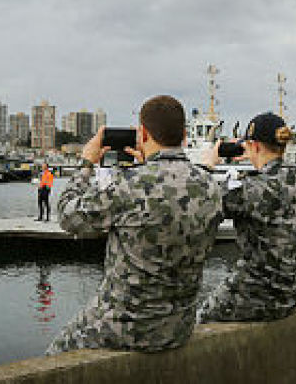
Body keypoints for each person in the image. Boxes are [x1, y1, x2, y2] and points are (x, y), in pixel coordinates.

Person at [46, 95, 222, 354]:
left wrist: (86, 164)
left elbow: (68, 217)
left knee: (56, 354)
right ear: (184, 136)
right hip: (178, 328)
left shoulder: (128, 183)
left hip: (126, 327)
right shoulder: (210, 185)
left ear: (143, 134)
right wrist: (146, 165)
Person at [198, 112, 296, 322]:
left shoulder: (255, 188)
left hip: (257, 294)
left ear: (256, 146)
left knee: (204, 316)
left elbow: (199, 204)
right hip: (290, 294)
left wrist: (207, 166)